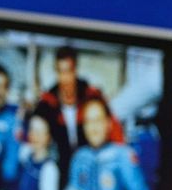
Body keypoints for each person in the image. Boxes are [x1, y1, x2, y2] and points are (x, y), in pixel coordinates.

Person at [31, 45, 123, 182]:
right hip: (61, 171)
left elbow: (114, 131)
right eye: (61, 72)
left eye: (69, 71)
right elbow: (33, 134)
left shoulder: (91, 96)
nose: (65, 78)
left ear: (75, 70)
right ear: (56, 72)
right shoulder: (47, 103)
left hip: (94, 168)